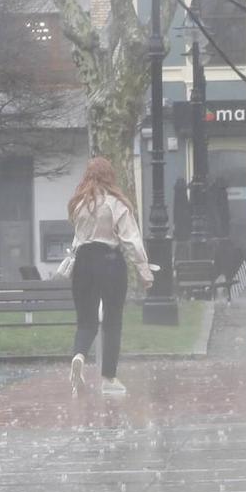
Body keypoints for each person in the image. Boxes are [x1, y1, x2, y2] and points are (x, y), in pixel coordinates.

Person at [58, 156, 153, 395]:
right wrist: (144, 270)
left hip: (83, 263)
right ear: (110, 176)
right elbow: (131, 239)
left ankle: (79, 355)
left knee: (86, 320)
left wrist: (70, 267)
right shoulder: (116, 204)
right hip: (110, 261)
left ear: (88, 176)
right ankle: (109, 378)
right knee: (112, 320)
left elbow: (77, 241)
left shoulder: (79, 205)